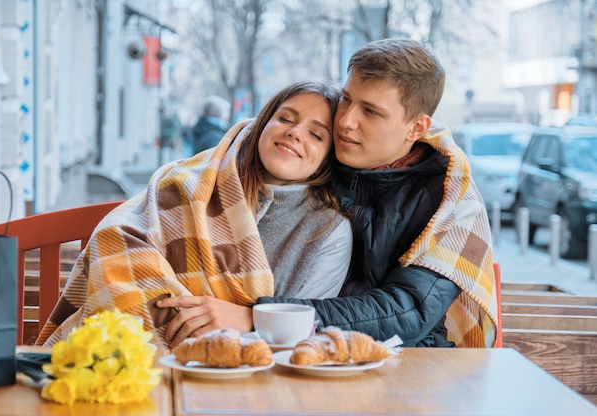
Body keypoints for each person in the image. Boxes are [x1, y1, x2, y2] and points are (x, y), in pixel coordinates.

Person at [158, 38, 499, 349]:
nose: (346, 121)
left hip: (404, 360)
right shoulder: (321, 152)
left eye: (370, 111)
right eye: (347, 100)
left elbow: (407, 310)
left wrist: (255, 317)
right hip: (295, 349)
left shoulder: (452, 201)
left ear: (417, 128)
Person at [36, 81, 353, 348]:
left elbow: (302, 332)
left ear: (328, 157)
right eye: (286, 118)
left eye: (316, 134)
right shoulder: (188, 183)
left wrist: (242, 320)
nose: (296, 132)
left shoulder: (327, 231)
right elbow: (117, 240)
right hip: (133, 355)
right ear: (263, 122)